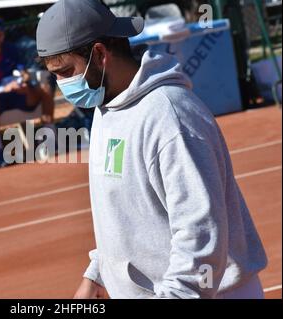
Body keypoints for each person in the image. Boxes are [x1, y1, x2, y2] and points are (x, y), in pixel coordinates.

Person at [36, 0, 267, 299]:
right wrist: (98, 274)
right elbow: (123, 212)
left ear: (100, 54)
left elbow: (200, 236)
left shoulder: (170, 117)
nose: (61, 84)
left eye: (66, 71)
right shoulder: (107, 106)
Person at [0, 18, 56, 146]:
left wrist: (24, 78)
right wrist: (3, 88)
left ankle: (48, 138)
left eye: (0, 35)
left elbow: (21, 70)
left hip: (17, 94)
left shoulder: (11, 49)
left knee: (45, 88)